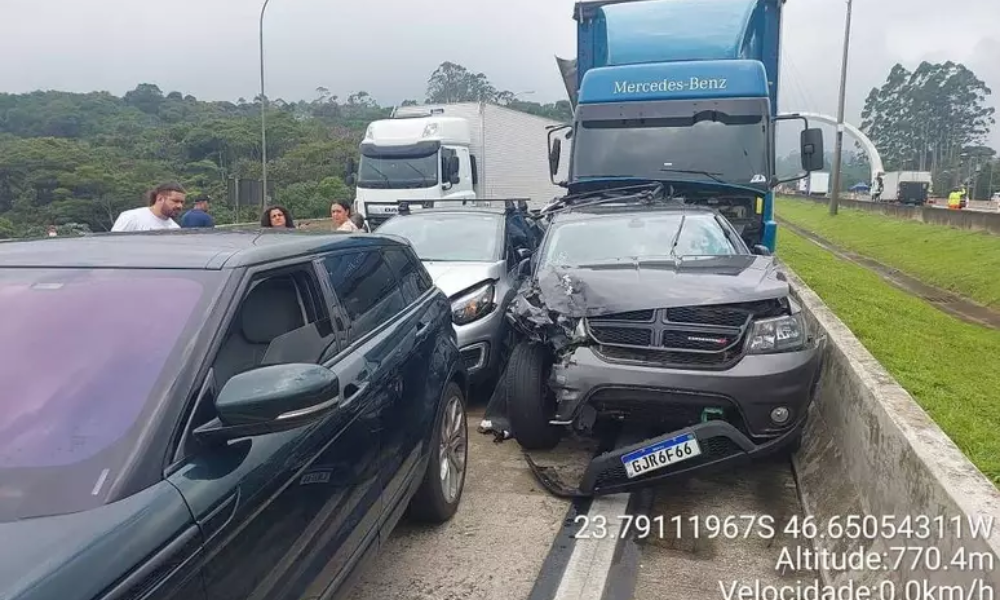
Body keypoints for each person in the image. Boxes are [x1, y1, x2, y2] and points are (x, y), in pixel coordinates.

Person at [111, 182, 185, 231]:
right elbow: (113, 245)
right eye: (175, 201)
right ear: (160, 198)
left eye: (182, 202)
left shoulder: (175, 229)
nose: (180, 206)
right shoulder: (132, 217)